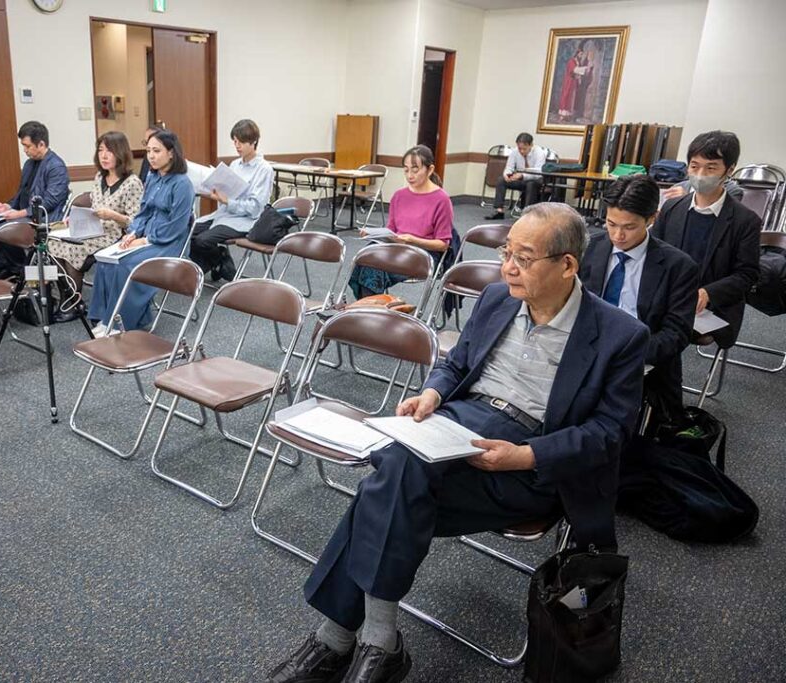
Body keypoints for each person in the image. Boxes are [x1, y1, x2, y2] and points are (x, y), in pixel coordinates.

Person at [267, 203, 649, 683]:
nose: (507, 266)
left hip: (532, 457)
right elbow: (456, 363)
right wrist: (432, 392)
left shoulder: (620, 335)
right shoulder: (497, 299)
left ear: (567, 265)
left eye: (524, 258)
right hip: (460, 425)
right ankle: (374, 642)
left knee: (383, 490)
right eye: (506, 252)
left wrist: (525, 456)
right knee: (401, 474)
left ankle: (340, 638)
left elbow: (610, 434)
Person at [580, 175, 699, 422]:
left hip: (641, 357)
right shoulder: (589, 248)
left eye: (629, 227)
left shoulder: (678, 266)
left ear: (652, 219)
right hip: (584, 347)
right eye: (611, 224)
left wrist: (623, 353)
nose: (618, 235)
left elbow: (676, 334)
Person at [651, 131, 762, 349]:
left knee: (667, 333)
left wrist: (708, 293)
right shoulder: (672, 208)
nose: (700, 174)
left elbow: (747, 275)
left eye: (710, 168)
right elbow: (654, 253)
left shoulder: (745, 221)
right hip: (668, 297)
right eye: (694, 166)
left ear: (729, 170)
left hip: (712, 308)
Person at [87, 129, 194, 333]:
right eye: (148, 151)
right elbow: (143, 212)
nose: (151, 156)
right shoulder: (153, 178)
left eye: (157, 151)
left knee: (126, 265)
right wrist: (134, 233)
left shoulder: (182, 184)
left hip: (169, 244)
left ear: (171, 153)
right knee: (105, 261)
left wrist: (145, 241)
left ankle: (120, 323)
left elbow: (176, 226)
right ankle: (105, 318)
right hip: (146, 236)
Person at [48, 131, 143, 315]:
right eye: (101, 150)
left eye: (110, 151)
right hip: (92, 229)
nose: (104, 156)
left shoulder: (132, 183)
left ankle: (73, 305)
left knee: (73, 248)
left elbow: (136, 223)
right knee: (52, 243)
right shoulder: (100, 177)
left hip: (116, 235)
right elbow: (93, 205)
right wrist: (75, 217)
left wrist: (113, 215)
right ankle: (68, 298)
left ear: (121, 153)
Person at [350, 145, 456, 299]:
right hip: (398, 248)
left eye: (415, 169)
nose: (410, 175)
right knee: (365, 258)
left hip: (423, 254)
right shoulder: (399, 196)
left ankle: (369, 314)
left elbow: (443, 244)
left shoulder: (441, 199)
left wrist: (413, 240)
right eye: (406, 170)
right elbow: (391, 230)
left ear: (430, 169)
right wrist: (375, 235)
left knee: (374, 267)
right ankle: (371, 311)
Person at [189, 119, 274, 282]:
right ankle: (219, 261)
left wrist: (228, 201)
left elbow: (256, 208)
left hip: (245, 220)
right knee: (188, 232)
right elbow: (227, 193)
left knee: (202, 240)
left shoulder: (264, 169)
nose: (237, 146)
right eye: (235, 141)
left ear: (254, 141)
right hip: (224, 214)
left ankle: (219, 261)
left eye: (241, 142)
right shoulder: (235, 164)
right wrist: (217, 195)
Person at [0, 121, 70, 277]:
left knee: (2, 229)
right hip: (28, 215)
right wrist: (6, 206)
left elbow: (49, 203)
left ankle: (20, 270)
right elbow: (22, 194)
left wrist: (18, 214)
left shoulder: (56, 166)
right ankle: (9, 270)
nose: (25, 150)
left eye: (27, 146)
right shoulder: (30, 164)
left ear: (41, 144)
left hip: (46, 219)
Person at [485, 133, 548, 220]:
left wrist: (522, 175)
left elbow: (539, 172)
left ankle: (526, 215)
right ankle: (499, 211)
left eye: (524, 149)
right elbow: (509, 167)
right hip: (521, 179)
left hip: (536, 181)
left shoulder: (539, 152)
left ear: (531, 145)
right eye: (519, 148)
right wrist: (507, 174)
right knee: (501, 180)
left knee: (531, 184)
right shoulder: (515, 152)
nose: (521, 151)